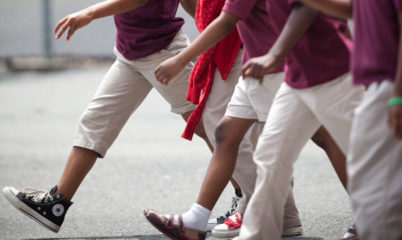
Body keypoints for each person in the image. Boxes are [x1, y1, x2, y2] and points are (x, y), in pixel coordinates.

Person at [143, 0, 353, 239]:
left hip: (278, 68)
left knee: (317, 141)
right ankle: (197, 220)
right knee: (228, 135)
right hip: (258, 64)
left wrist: (180, 60)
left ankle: (366, 215)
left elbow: (226, 21)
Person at [1, 0, 213, 233]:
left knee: (208, 126)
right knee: (94, 123)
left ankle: (246, 198)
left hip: (164, 53)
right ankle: (56, 204)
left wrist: (89, 13)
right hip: (129, 53)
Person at [232, 1, 365, 239]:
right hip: (296, 78)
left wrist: (274, 55)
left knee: (370, 160)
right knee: (270, 156)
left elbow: (305, 5)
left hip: (332, 75)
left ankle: (377, 224)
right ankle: (257, 235)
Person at [295, 0, 402, 239]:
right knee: (371, 179)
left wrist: (397, 96)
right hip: (376, 85)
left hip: (389, 85)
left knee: (372, 182)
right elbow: (353, 10)